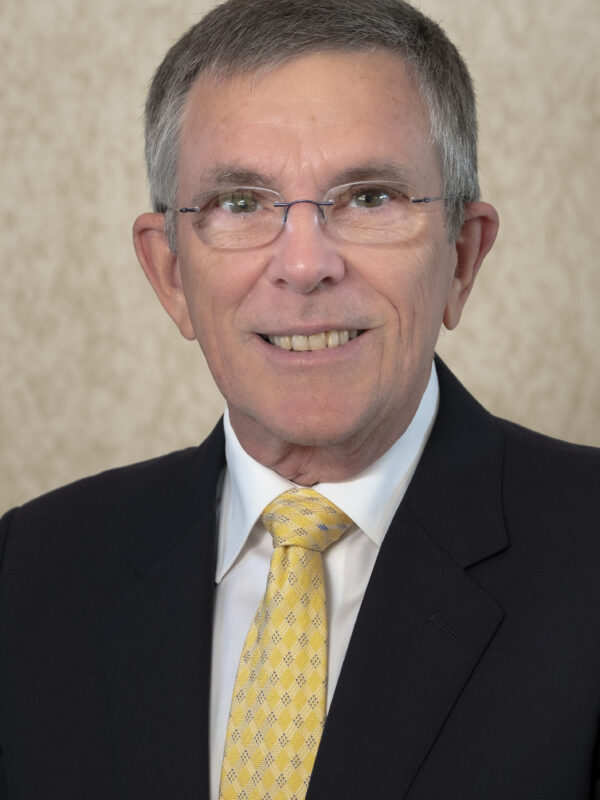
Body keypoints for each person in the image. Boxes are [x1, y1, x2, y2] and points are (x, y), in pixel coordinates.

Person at [0, 0, 598, 797]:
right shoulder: (28, 569)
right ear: (171, 275)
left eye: (370, 197)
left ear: (461, 256)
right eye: (240, 203)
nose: (306, 264)